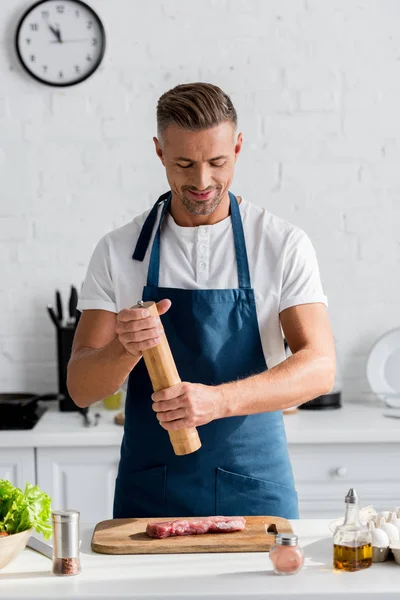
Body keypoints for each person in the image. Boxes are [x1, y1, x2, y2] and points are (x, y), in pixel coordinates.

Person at [67, 82, 335, 520]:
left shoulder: (282, 244)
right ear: (158, 151)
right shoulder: (119, 251)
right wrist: (125, 347)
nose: (202, 181)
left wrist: (218, 402)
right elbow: (81, 388)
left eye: (217, 162)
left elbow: (320, 366)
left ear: (239, 145)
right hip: (151, 493)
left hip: (256, 489)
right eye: (184, 163)